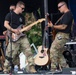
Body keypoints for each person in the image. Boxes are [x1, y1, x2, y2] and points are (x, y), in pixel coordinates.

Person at [3, 1, 36, 73]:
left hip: (22, 36)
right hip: (14, 37)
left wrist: (26, 28)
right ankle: (6, 68)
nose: (23, 10)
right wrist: (13, 30)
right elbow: (5, 24)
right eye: (22, 8)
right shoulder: (10, 15)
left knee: (28, 51)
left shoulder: (22, 16)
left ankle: (32, 67)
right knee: (10, 53)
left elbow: (22, 26)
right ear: (18, 7)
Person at [48, 1, 74, 72]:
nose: (59, 9)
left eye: (59, 7)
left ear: (64, 6)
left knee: (53, 50)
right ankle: (67, 69)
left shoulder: (68, 14)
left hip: (63, 35)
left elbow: (63, 26)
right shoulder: (65, 15)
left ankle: (53, 69)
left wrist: (53, 26)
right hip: (61, 35)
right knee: (59, 53)